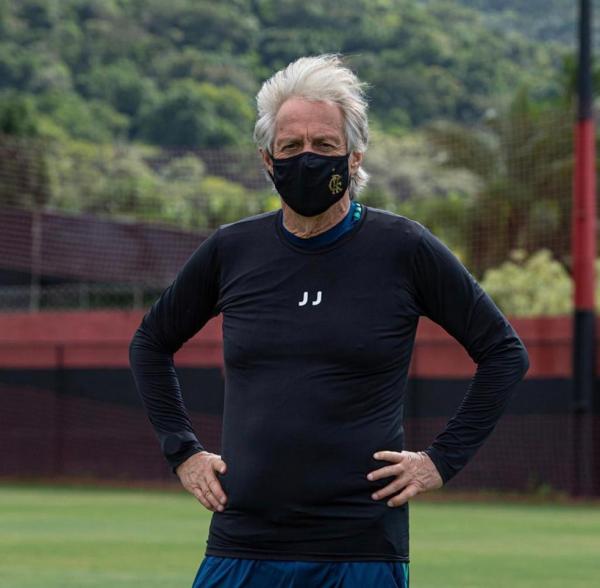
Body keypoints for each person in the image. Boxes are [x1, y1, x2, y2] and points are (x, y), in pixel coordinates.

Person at [129, 54, 529, 588]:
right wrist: (183, 452)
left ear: (355, 156)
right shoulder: (232, 250)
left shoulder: (404, 248)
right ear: (268, 161)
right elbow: (150, 343)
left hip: (361, 548)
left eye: (324, 146)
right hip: (243, 543)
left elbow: (504, 353)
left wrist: (440, 461)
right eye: (291, 148)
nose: (307, 159)